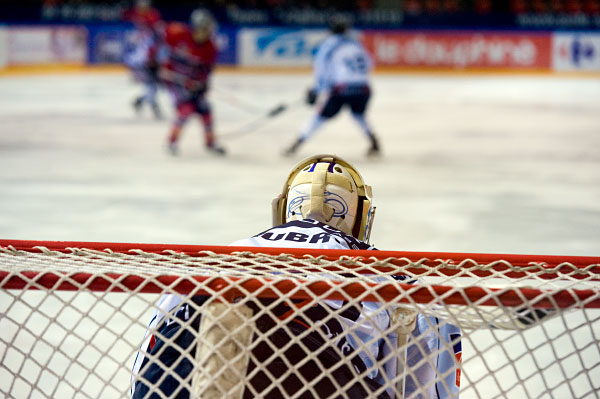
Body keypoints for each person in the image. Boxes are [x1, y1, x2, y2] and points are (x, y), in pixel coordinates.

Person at [130, 154, 461, 399]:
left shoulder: (221, 257)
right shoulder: (393, 274)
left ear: (282, 208)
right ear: (363, 218)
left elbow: (156, 347)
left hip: (205, 378)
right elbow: (428, 375)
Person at [284, 16, 381, 157]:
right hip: (363, 88)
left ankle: (296, 144)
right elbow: (369, 64)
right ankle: (374, 142)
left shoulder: (328, 45)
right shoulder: (355, 44)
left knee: (319, 117)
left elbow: (322, 69)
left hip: (342, 89)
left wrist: (316, 90)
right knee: (358, 114)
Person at [159, 9, 225, 156]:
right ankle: (171, 142)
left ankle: (210, 142)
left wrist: (202, 84)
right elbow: (157, 40)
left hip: (191, 83)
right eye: (206, 28)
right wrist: (154, 62)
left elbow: (206, 70)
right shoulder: (177, 34)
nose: (208, 32)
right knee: (186, 109)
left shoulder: (210, 47)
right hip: (172, 80)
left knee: (205, 109)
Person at [122, 0, 163, 119]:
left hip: (151, 57)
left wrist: (153, 57)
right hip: (145, 58)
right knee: (151, 83)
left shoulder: (152, 19)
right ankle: (149, 104)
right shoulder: (141, 18)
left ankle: (141, 102)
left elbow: (156, 39)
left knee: (153, 83)